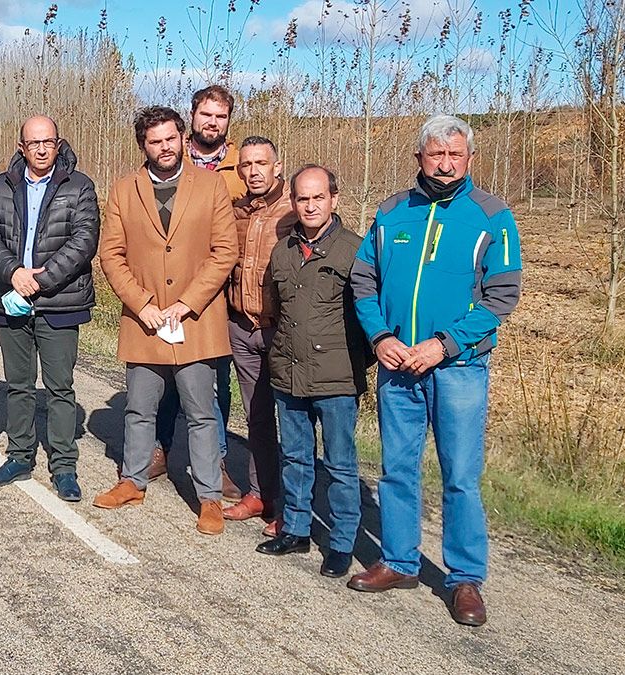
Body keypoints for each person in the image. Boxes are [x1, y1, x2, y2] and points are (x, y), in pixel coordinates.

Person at [348, 115, 522, 627]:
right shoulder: (391, 212)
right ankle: (399, 561)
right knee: (397, 469)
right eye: (435, 155)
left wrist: (443, 346)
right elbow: (363, 281)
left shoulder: (492, 216)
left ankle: (464, 578)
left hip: (460, 369)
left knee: (461, 476)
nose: (445, 165)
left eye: (455, 155)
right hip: (398, 366)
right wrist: (381, 337)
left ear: (469, 159)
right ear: (418, 158)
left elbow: (501, 296)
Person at [92, 106, 239, 535]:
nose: (165, 147)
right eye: (155, 142)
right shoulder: (124, 191)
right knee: (139, 408)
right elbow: (111, 255)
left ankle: (208, 496)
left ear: (182, 137)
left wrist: (186, 303)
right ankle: (132, 481)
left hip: (195, 320)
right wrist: (143, 305)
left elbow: (224, 251)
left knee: (201, 412)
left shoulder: (211, 186)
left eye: (171, 139)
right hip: (145, 322)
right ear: (144, 146)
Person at [0, 115, 100, 502]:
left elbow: (84, 240)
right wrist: (13, 274)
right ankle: (19, 455)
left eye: (49, 141)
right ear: (21, 147)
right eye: (34, 143)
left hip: (58, 303)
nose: (43, 148)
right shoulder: (1, 187)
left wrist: (40, 281)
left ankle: (63, 466)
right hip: (12, 300)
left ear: (58, 144)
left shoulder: (79, 187)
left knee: (60, 388)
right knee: (19, 384)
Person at [256, 165, 368, 579]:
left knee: (339, 463)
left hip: (336, 376)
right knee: (296, 455)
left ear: (334, 200)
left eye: (318, 197)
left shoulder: (355, 251)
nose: (310, 205)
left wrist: (350, 361)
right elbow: (280, 310)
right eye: (303, 198)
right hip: (289, 370)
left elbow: (368, 318)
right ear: (293, 202)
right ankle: (297, 528)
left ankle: (341, 542)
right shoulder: (282, 251)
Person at [147, 85, 245, 501]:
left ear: (228, 121)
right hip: (169, 285)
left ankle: (215, 460)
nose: (212, 122)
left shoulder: (242, 168)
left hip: (218, 290)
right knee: (166, 376)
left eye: (220, 117)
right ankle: (160, 448)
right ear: (193, 116)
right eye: (205, 114)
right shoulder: (171, 154)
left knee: (213, 381)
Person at [221, 136, 296, 537]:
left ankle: (296, 508)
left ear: (277, 166)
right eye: (245, 165)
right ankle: (261, 493)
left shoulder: (294, 211)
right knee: (257, 417)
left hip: (283, 332)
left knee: (295, 421)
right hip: (242, 327)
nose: (253, 172)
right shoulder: (234, 213)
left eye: (260, 164)